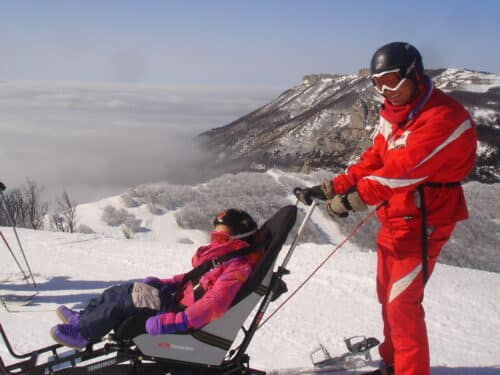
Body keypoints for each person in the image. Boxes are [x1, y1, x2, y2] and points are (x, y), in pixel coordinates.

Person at [298, 42, 476, 375]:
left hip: (425, 220)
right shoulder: (395, 114)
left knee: (402, 304)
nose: (385, 90)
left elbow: (400, 173)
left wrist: (351, 199)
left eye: (392, 80)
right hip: (396, 217)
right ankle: (394, 360)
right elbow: (376, 159)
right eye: (377, 83)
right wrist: (332, 186)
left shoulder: (443, 118)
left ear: (415, 74)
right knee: (387, 296)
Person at [50, 208, 263, 350]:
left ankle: (83, 333)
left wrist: (177, 321)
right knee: (124, 290)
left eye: (221, 237)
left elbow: (214, 304)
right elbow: (192, 279)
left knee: (129, 298)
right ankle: (85, 319)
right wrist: (166, 283)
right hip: (177, 302)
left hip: (181, 316)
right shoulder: (225, 258)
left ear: (238, 238)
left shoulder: (237, 267)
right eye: (214, 235)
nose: (215, 241)